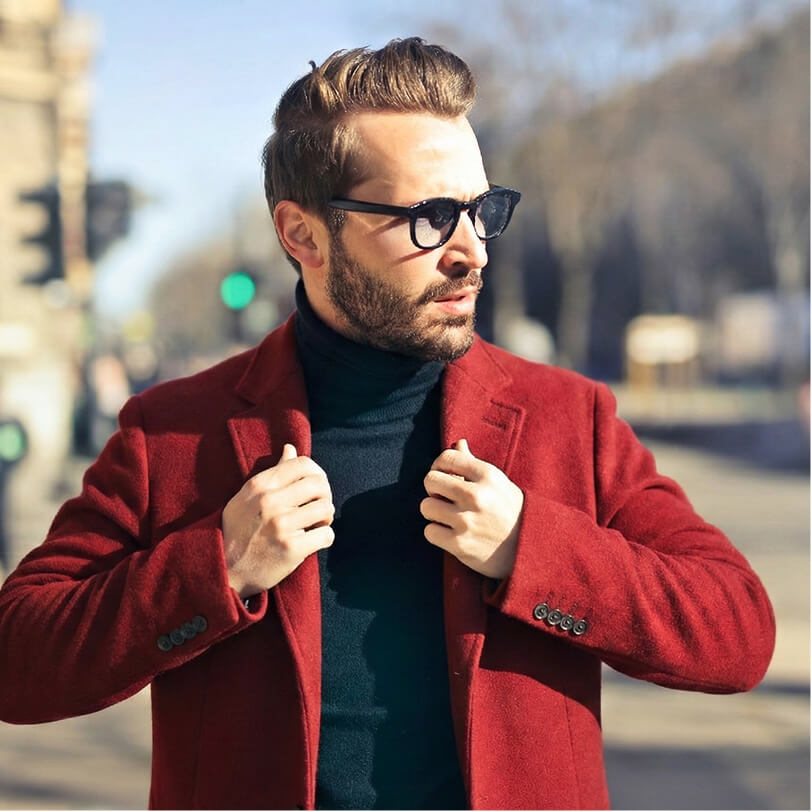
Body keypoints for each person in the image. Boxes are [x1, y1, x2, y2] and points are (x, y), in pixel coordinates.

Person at [0, 38, 774, 811]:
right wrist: (214, 568)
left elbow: (735, 633)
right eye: (431, 217)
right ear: (302, 235)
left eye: (480, 210)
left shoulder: (569, 416)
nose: (470, 252)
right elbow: (18, 661)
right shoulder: (173, 432)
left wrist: (532, 549)